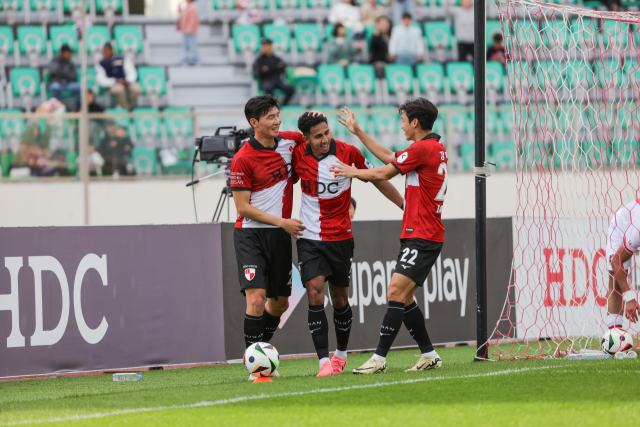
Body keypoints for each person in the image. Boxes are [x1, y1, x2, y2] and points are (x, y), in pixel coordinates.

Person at [332, 99, 446, 374]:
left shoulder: (422, 148)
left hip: (422, 234)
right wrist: (358, 132)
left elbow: (385, 172)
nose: (402, 125)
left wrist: (353, 171)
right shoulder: (432, 147)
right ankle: (429, 354)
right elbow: (390, 157)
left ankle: (379, 359)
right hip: (421, 233)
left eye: (404, 120)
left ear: (415, 123)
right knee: (405, 298)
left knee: (394, 291)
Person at [293, 112, 403, 377]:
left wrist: (404, 205)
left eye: (326, 132)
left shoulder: (348, 152)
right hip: (309, 237)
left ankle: (340, 354)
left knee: (339, 298)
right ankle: (323, 362)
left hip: (340, 237)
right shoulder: (296, 154)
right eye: (317, 136)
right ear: (306, 137)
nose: (324, 139)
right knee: (314, 292)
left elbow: (377, 178)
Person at [229, 95, 307, 379]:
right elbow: (242, 207)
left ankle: (261, 351)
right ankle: (256, 366)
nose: (277, 121)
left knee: (280, 304)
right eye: (270, 117)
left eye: (277, 115)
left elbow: (316, 135)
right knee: (256, 299)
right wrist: (283, 222)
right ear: (254, 123)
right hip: (250, 234)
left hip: (280, 235)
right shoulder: (242, 159)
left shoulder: (289, 141)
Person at [605, 199, 640, 329]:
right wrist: (629, 297)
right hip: (621, 227)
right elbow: (616, 261)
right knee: (616, 280)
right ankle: (615, 336)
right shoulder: (637, 229)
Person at [96, 43, 142, 110]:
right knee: (120, 89)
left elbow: (132, 72)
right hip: (112, 84)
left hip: (126, 82)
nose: (106, 52)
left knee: (137, 89)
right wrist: (115, 81)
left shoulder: (123, 59)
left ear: (112, 50)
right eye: (104, 51)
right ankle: (127, 109)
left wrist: (127, 81)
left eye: (107, 50)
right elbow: (101, 80)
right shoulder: (101, 64)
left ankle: (125, 105)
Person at [253, 39, 295, 106]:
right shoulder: (259, 59)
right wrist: (275, 67)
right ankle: (271, 106)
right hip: (266, 81)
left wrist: (268, 68)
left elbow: (282, 67)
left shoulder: (276, 58)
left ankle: (283, 105)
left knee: (290, 89)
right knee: (268, 89)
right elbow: (260, 72)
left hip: (277, 80)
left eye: (266, 45)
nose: (264, 47)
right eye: (263, 46)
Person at [48, 45, 80, 111]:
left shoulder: (71, 63)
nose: (69, 56)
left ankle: (75, 108)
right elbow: (53, 71)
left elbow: (75, 76)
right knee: (55, 87)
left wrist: (61, 72)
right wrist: (67, 73)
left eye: (70, 54)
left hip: (67, 84)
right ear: (62, 53)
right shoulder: (55, 60)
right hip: (57, 83)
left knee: (81, 88)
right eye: (67, 53)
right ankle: (58, 109)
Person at [177, 0, 200, 66]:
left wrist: (189, 29)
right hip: (186, 31)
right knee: (186, 47)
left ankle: (196, 60)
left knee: (192, 46)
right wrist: (179, 7)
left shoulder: (192, 8)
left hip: (190, 32)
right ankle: (184, 61)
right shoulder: (187, 8)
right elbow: (182, 14)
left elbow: (192, 20)